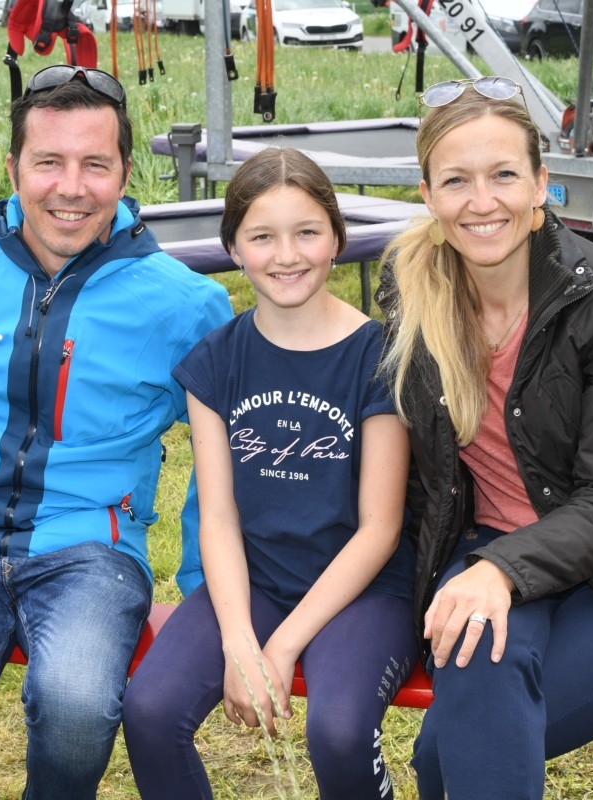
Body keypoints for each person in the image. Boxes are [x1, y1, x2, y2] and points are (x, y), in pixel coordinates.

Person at [0, 65, 233, 799]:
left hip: (91, 556)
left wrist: (203, 592)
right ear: (12, 168)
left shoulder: (186, 305)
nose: (71, 188)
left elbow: (223, 455)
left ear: (126, 173)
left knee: (75, 707)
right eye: (48, 162)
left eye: (95, 164)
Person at [375, 77, 593, 799]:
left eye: (504, 175)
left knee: (448, 760)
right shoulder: (410, 287)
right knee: (464, 725)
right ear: (428, 195)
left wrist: (499, 571)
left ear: (542, 185)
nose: (482, 202)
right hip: (488, 549)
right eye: (456, 181)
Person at [122, 147, 418, 799]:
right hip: (256, 582)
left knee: (338, 732)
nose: (286, 255)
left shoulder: (380, 357)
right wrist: (239, 641)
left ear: (337, 238)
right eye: (262, 237)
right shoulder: (216, 360)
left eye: (307, 232)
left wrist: (280, 647)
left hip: (365, 592)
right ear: (233, 247)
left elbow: (380, 529)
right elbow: (219, 516)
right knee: (149, 710)